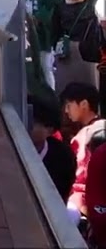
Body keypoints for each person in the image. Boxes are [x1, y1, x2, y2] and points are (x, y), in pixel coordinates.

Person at [63, 82, 106, 219]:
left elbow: (80, 178)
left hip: (86, 201)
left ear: (84, 104)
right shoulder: (98, 128)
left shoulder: (84, 136)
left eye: (69, 105)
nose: (66, 111)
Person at [53, 0, 102, 90]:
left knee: (89, 87)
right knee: (65, 87)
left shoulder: (94, 3)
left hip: (88, 50)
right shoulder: (60, 6)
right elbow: (55, 28)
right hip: (66, 49)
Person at [31, 95, 77, 201]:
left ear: (50, 130)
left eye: (33, 123)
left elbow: (60, 197)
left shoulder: (64, 157)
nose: (26, 126)